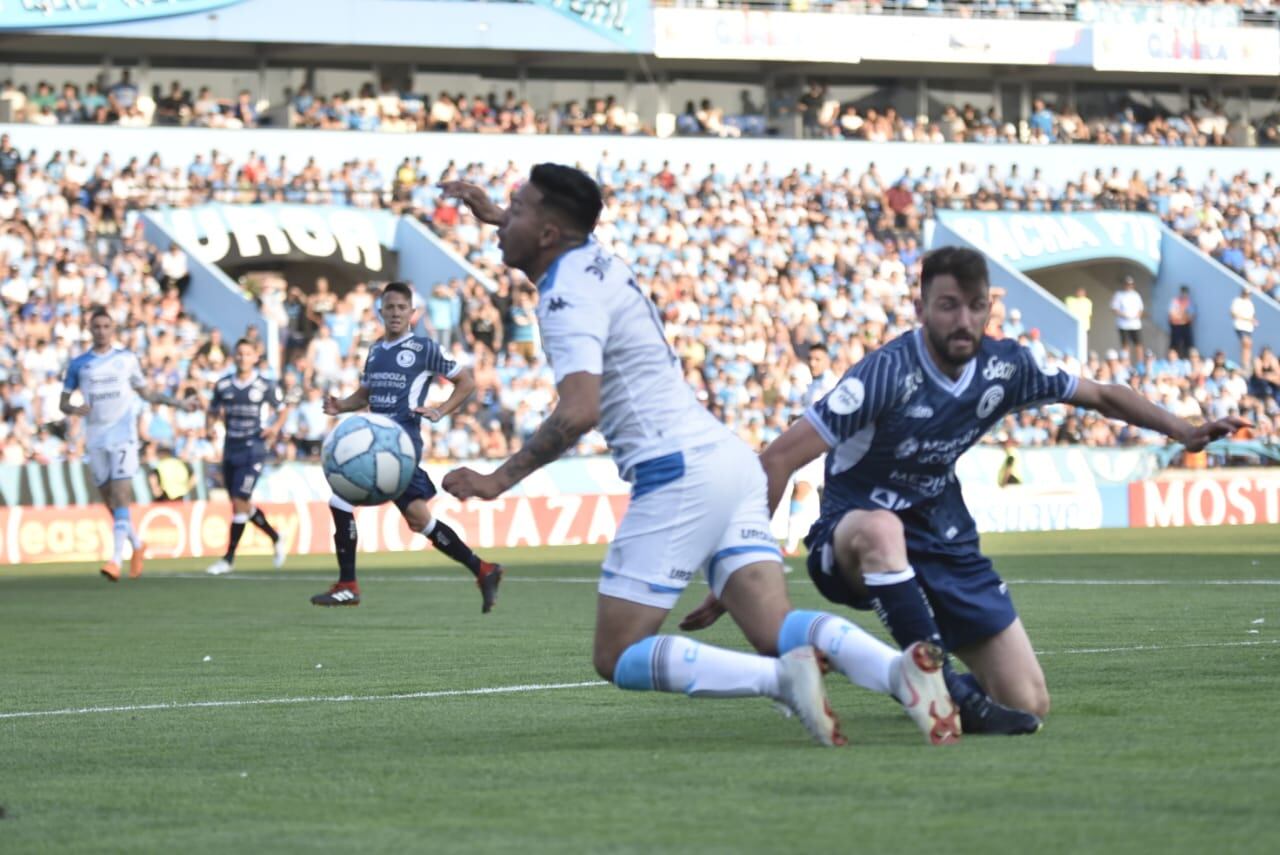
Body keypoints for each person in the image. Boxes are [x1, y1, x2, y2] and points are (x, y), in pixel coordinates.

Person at [438, 163, 960, 747]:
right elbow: (556, 239)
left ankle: (780, 681)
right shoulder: (594, 260)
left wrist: (497, 479)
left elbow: (579, 409)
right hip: (730, 462)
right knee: (775, 628)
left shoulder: (566, 295)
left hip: (677, 474)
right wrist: (496, 215)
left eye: (517, 208)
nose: (503, 220)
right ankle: (902, 671)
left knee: (617, 653)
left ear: (549, 234)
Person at [683, 247, 1246, 736]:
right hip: (851, 534)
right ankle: (944, 689)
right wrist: (742, 564)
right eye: (948, 305)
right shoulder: (885, 373)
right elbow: (778, 457)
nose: (963, 320)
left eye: (976, 307)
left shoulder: (1008, 367)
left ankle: (943, 677)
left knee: (1027, 702)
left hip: (943, 534)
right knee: (882, 527)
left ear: (989, 310)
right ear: (921, 308)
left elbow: (1099, 394)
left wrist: (1184, 429)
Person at [314, 281, 503, 611]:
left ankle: (348, 585)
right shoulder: (375, 350)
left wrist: (440, 410)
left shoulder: (424, 348)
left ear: (412, 313)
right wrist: (341, 406)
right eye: (390, 307)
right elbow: (366, 394)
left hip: (399, 444)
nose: (396, 313)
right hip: (379, 443)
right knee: (419, 520)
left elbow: (467, 382)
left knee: (340, 500)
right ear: (381, 312)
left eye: (402, 307)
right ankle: (483, 570)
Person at [59, 308, 198, 581]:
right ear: (90, 329)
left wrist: (179, 403)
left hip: (123, 435)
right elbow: (62, 403)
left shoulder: (126, 359)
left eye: (106, 326)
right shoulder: (79, 365)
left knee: (122, 495)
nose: (101, 331)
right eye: (96, 326)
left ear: (113, 329)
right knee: (109, 499)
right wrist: (76, 409)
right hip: (96, 437)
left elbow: (146, 393)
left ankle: (114, 560)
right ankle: (137, 544)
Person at [204, 338, 290, 576]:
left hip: (254, 448)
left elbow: (283, 410)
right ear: (234, 356)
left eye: (247, 353)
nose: (243, 357)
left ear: (255, 357)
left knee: (241, 500)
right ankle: (275, 536)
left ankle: (228, 559)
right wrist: (209, 427)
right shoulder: (223, 386)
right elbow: (212, 411)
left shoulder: (265, 385)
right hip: (230, 447)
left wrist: (274, 428)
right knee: (240, 504)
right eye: (239, 353)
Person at [783, 343, 836, 556]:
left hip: (824, 445)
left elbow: (829, 413)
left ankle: (790, 545)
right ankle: (793, 545)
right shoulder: (814, 385)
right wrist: (798, 418)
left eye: (818, 359)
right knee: (806, 488)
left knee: (804, 488)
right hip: (818, 444)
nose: (813, 363)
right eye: (811, 359)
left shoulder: (830, 384)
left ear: (827, 361)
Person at [1111, 275, 1144, 364]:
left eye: (1130, 284)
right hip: (1123, 324)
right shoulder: (1119, 295)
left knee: (1138, 344)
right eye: (1127, 284)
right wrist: (1124, 315)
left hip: (1135, 324)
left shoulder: (1136, 295)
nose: (1129, 286)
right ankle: (1126, 363)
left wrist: (1137, 316)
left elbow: (1141, 309)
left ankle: (1140, 363)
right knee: (1125, 345)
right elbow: (1114, 309)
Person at [1230, 285, 1258, 372]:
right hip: (1240, 326)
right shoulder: (1237, 301)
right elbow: (1233, 314)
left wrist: (1253, 320)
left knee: (1249, 344)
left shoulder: (1250, 303)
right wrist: (1247, 319)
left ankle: (1247, 362)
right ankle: (1244, 363)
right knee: (1245, 342)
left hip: (1248, 327)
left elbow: (1252, 315)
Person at [1167, 285, 1195, 358]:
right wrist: (1183, 316)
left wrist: (1179, 316)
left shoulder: (1189, 302)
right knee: (1174, 345)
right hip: (1175, 326)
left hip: (1185, 326)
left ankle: (1186, 359)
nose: (1184, 294)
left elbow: (1191, 317)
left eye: (1185, 292)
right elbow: (1171, 315)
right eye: (1183, 292)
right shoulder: (1175, 301)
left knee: (1188, 345)